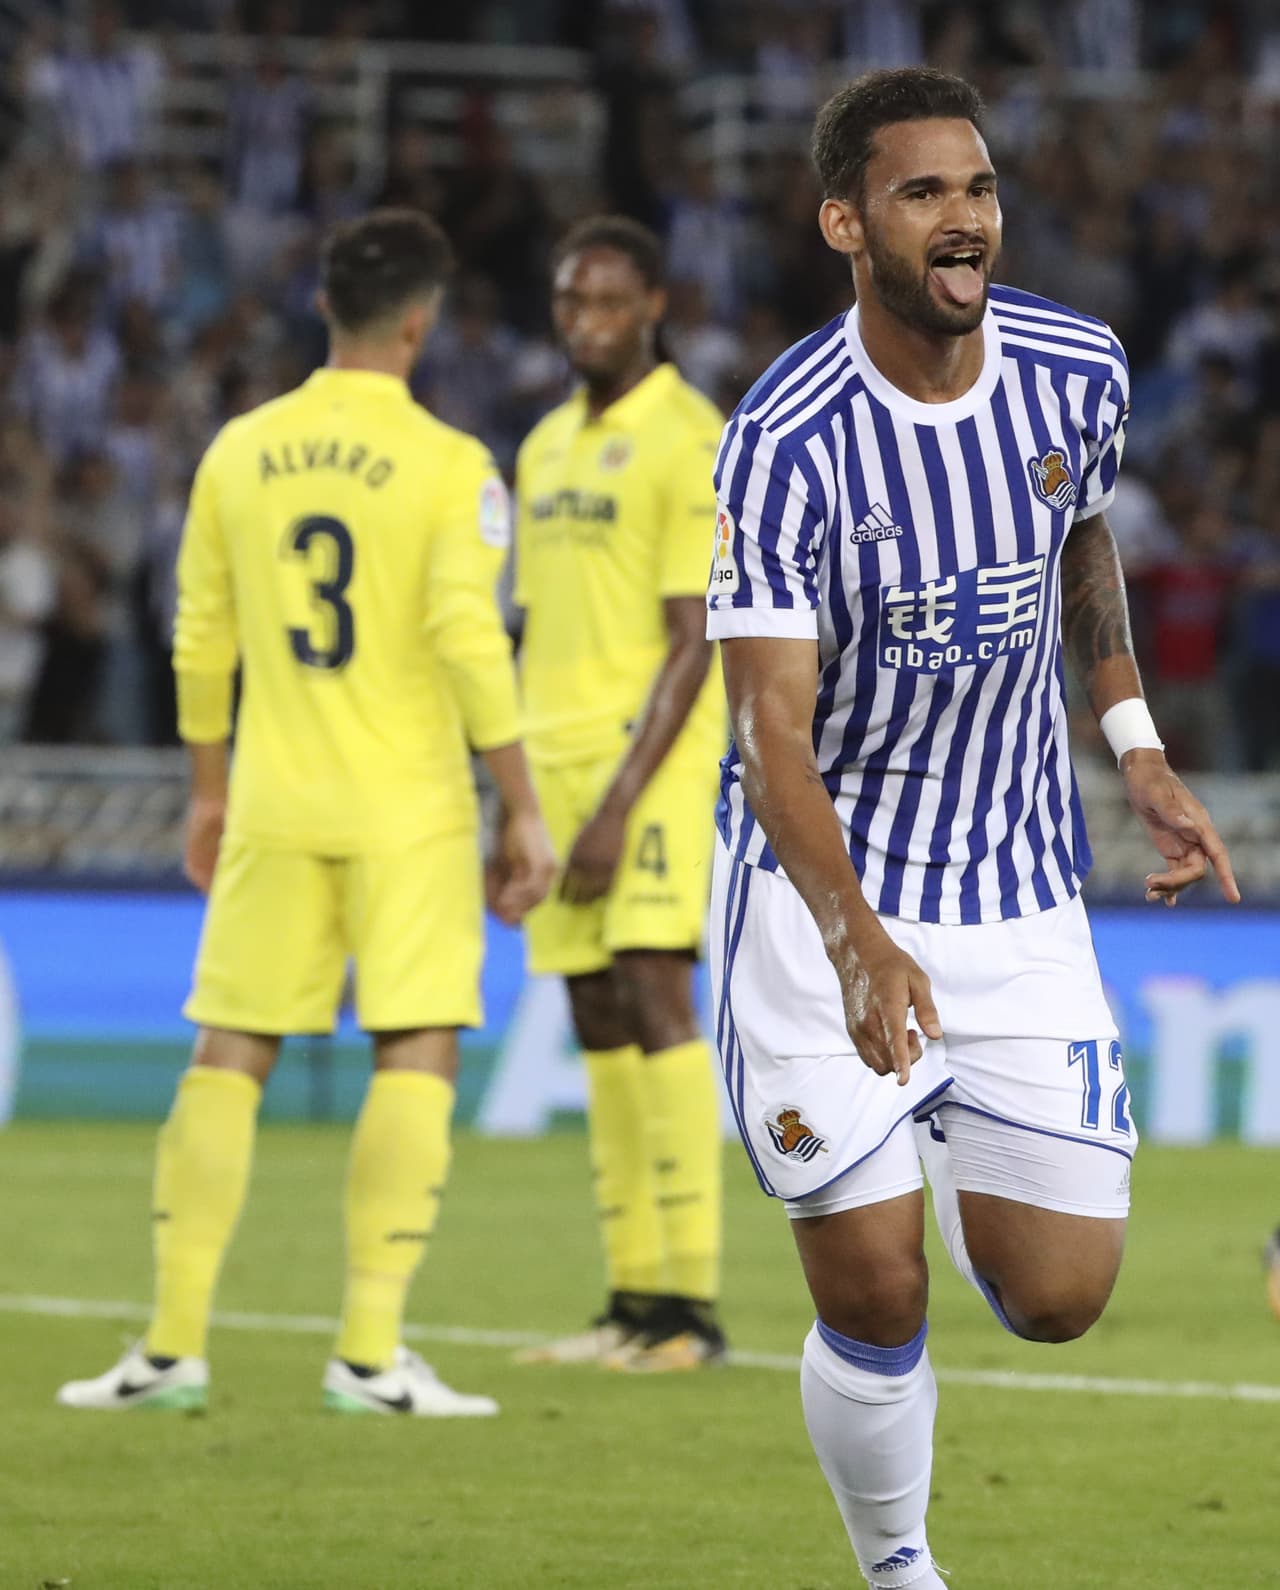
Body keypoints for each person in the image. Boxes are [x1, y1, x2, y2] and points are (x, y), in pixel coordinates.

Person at [705, 69, 1240, 1587]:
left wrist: (1133, 741)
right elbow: (772, 736)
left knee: (1061, 1292)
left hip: (1014, 890)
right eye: (924, 193)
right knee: (875, 1287)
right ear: (844, 221)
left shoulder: (1081, 369)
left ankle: (938, 1138)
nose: (965, 221)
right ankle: (899, 1566)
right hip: (828, 906)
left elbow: (1081, 537)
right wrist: (857, 937)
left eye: (981, 189)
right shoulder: (785, 442)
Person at [56, 209, 557, 1418]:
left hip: (272, 800)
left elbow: (200, 637)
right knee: (417, 1042)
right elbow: (464, 643)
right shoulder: (449, 463)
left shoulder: (240, 447)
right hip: (409, 811)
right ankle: (370, 1354)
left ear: (325, 311)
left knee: (229, 1048)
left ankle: (171, 1349)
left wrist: (209, 791)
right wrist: (523, 808)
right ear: (421, 321)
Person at [512, 216, 728, 1372]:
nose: (582, 321)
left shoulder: (687, 437)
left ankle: (691, 1307)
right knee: (592, 1011)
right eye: (566, 302)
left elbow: (693, 638)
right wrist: (520, 796)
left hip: (643, 769)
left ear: (651, 303)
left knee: (653, 993)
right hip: (550, 764)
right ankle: (631, 1301)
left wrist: (614, 803)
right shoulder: (543, 445)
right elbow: (537, 627)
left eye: (603, 301)